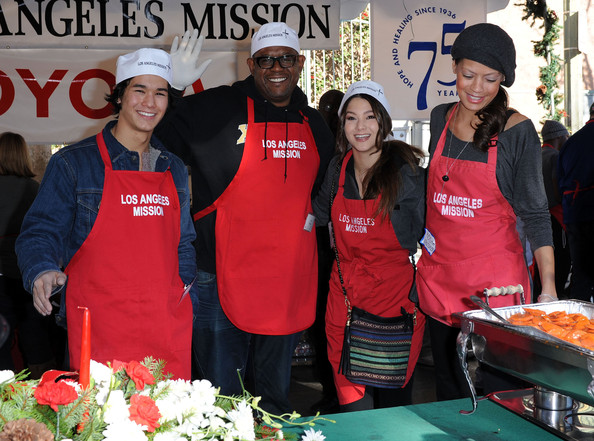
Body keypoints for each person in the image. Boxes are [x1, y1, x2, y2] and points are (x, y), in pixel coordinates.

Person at [156, 22, 334, 414]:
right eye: (266, 60)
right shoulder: (217, 107)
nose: (276, 67)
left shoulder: (315, 124)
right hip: (218, 274)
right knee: (222, 399)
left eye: (286, 58)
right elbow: (156, 137)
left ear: (300, 63)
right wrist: (174, 89)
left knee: (273, 401)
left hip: (284, 279)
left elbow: (321, 194)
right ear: (251, 65)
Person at [15, 48, 196, 380]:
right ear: (120, 96)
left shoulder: (173, 168)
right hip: (98, 327)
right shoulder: (73, 163)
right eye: (139, 90)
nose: (150, 102)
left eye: (160, 93)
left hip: (166, 325)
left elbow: (183, 243)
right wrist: (41, 269)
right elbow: (41, 231)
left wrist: (185, 292)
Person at [416, 23, 557, 401]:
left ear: (503, 80)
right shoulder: (439, 118)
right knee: (449, 388)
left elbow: (537, 214)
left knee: (505, 392)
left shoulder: (517, 130)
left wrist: (548, 288)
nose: (477, 88)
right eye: (468, 75)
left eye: (490, 79)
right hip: (442, 279)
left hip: (497, 290)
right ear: (454, 68)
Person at [312, 80, 426, 411]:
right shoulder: (337, 169)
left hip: (394, 300)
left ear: (383, 122)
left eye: (370, 117)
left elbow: (427, 231)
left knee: (394, 406)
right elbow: (318, 214)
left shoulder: (406, 172)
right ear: (342, 124)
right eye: (351, 118)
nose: (360, 127)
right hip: (345, 299)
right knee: (352, 402)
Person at [0, 132, 61, 377]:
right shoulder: (34, 188)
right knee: (35, 336)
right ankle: (44, 396)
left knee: (1, 341)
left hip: (1, 275)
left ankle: (6, 401)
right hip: (30, 273)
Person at [558, 103, 594, 302]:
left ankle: (578, 327)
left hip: (574, 215)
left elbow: (559, 181)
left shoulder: (571, 142)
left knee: (580, 274)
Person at [539, 120, 571, 298]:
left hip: (540, 215)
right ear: (559, 136)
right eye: (566, 136)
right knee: (560, 259)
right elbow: (557, 186)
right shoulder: (554, 156)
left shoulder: (538, 154)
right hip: (556, 216)